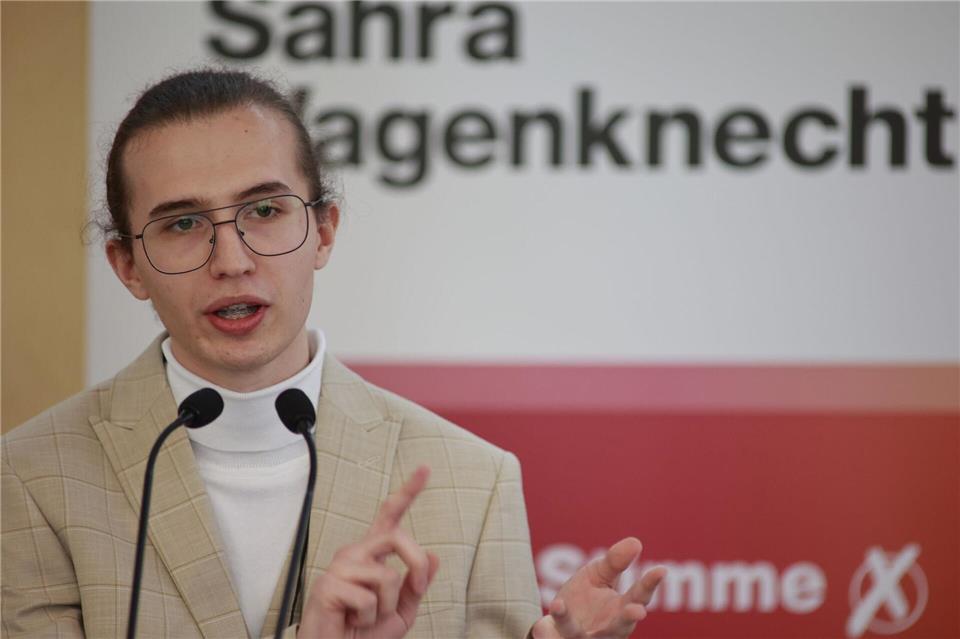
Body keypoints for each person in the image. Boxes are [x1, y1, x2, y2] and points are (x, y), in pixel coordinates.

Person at [1, 69, 665, 639]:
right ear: (128, 265)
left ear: (323, 231)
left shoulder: (474, 484)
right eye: (182, 224)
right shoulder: (32, 480)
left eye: (263, 210)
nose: (231, 261)